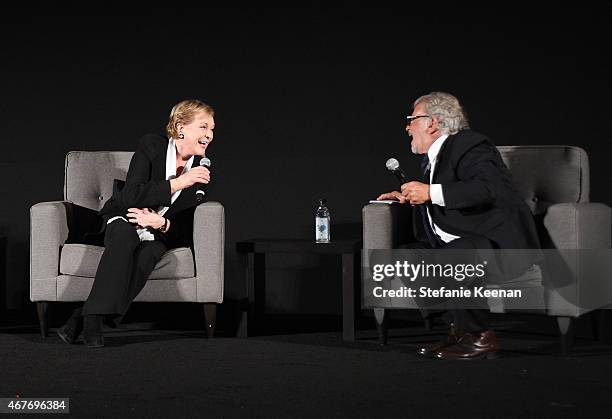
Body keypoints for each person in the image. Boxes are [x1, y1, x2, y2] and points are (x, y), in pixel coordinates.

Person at [377, 92, 541, 360]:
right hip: (464, 242)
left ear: (432, 122)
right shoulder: (434, 158)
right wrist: (411, 197)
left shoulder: (469, 144)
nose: (407, 127)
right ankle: (457, 331)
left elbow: (488, 188)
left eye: (412, 119)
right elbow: (448, 197)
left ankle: (480, 337)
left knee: (458, 254)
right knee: (407, 257)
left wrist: (430, 193)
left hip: (497, 245)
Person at [57, 99, 215, 348]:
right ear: (181, 127)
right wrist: (178, 183)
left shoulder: (202, 174)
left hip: (157, 233)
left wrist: (160, 222)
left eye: (212, 129)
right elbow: (131, 195)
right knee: (125, 236)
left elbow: (188, 228)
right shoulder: (151, 145)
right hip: (124, 216)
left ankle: (84, 316)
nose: (209, 135)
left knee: (149, 253)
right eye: (204, 127)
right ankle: (92, 322)